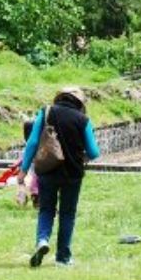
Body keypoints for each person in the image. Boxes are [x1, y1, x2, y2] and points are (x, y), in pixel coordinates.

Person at [18, 87, 101, 267]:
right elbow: (94, 152)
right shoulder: (83, 120)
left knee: (46, 209)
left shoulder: (47, 112)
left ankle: (42, 240)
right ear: (79, 103)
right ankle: (63, 257)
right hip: (73, 173)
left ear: (59, 98)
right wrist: (82, 156)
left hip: (47, 170)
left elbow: (32, 142)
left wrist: (23, 170)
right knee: (67, 214)